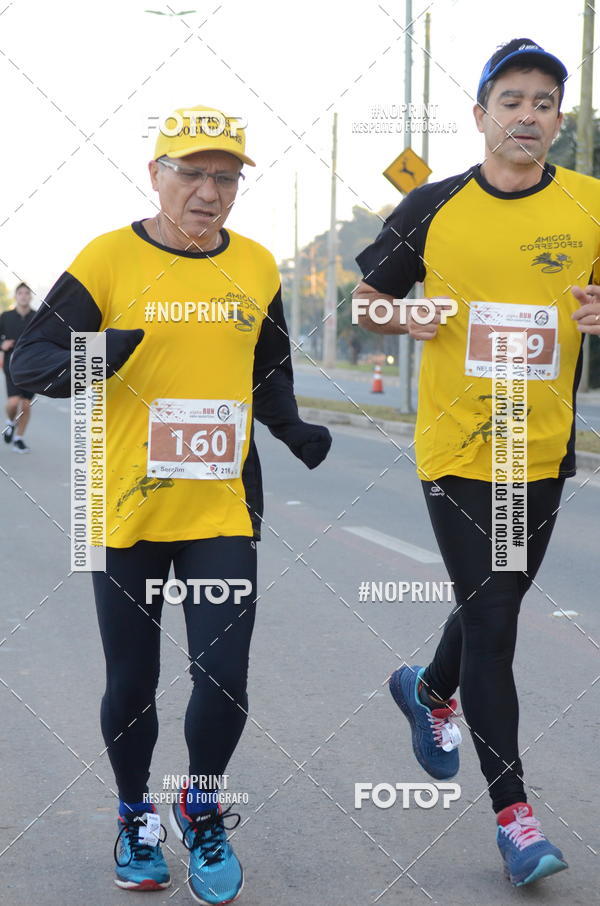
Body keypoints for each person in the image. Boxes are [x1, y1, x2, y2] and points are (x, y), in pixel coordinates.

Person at [11, 105, 332, 904]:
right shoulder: (108, 259)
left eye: (225, 177)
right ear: (155, 174)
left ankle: (201, 805)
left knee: (224, 678)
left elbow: (267, 368)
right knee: (132, 682)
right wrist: (103, 354)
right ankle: (134, 816)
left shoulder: (255, 265)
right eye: (191, 173)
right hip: (125, 513)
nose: (207, 192)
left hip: (221, 511)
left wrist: (291, 428)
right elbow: (30, 364)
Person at [354, 39, 600, 888]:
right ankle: (515, 820)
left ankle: (429, 689)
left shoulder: (590, 204)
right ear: (481, 114)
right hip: (458, 448)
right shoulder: (433, 205)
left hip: (541, 447)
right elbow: (367, 300)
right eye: (512, 100)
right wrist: (403, 318)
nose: (527, 115)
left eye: (544, 103)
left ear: (559, 121)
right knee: (494, 619)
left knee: (495, 597)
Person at [0, 282, 36, 452]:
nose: (23, 296)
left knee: (26, 405)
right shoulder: (6, 316)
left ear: (30, 296)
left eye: (26, 293)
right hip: (12, 364)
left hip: (32, 366)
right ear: (16, 296)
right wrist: (2, 345)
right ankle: (10, 421)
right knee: (14, 403)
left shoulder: (37, 317)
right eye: (20, 293)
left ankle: (18, 439)